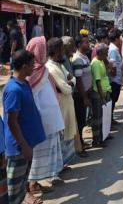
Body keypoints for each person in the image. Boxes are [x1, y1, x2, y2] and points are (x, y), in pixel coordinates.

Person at [3, 50, 46, 204]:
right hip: (18, 147)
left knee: (22, 186)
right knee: (14, 190)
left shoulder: (24, 83)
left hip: (27, 143)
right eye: (31, 65)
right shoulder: (13, 90)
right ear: (23, 66)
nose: (34, 67)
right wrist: (24, 146)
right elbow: (11, 122)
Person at [25, 36, 65, 195]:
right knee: (36, 156)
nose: (46, 52)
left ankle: (36, 182)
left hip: (50, 123)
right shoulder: (30, 74)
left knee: (45, 155)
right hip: (40, 124)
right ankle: (31, 185)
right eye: (43, 49)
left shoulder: (43, 70)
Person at [46, 38, 78, 166]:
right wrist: (69, 84)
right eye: (61, 49)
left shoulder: (59, 65)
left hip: (67, 106)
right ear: (56, 51)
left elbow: (72, 78)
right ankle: (57, 168)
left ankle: (63, 164)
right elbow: (65, 89)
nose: (63, 52)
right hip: (61, 108)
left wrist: (69, 83)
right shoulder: (51, 68)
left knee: (66, 139)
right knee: (60, 140)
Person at [71, 35, 92, 157]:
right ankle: (79, 148)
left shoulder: (84, 57)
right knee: (80, 121)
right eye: (85, 42)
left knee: (83, 120)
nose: (88, 44)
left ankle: (81, 144)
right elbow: (78, 80)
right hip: (80, 95)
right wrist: (84, 97)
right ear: (79, 45)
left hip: (86, 92)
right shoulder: (78, 59)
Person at [90, 44, 111, 147]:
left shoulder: (101, 61)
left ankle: (102, 136)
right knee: (97, 118)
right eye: (105, 53)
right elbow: (97, 82)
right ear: (100, 53)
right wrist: (102, 96)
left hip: (104, 92)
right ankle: (96, 140)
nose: (107, 55)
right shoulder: (95, 64)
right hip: (98, 94)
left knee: (103, 117)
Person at [108, 29, 123, 125]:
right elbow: (112, 65)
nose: (121, 39)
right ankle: (110, 121)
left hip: (116, 79)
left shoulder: (115, 48)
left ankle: (111, 119)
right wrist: (114, 76)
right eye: (120, 37)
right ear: (116, 38)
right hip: (114, 80)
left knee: (114, 100)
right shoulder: (113, 49)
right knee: (112, 101)